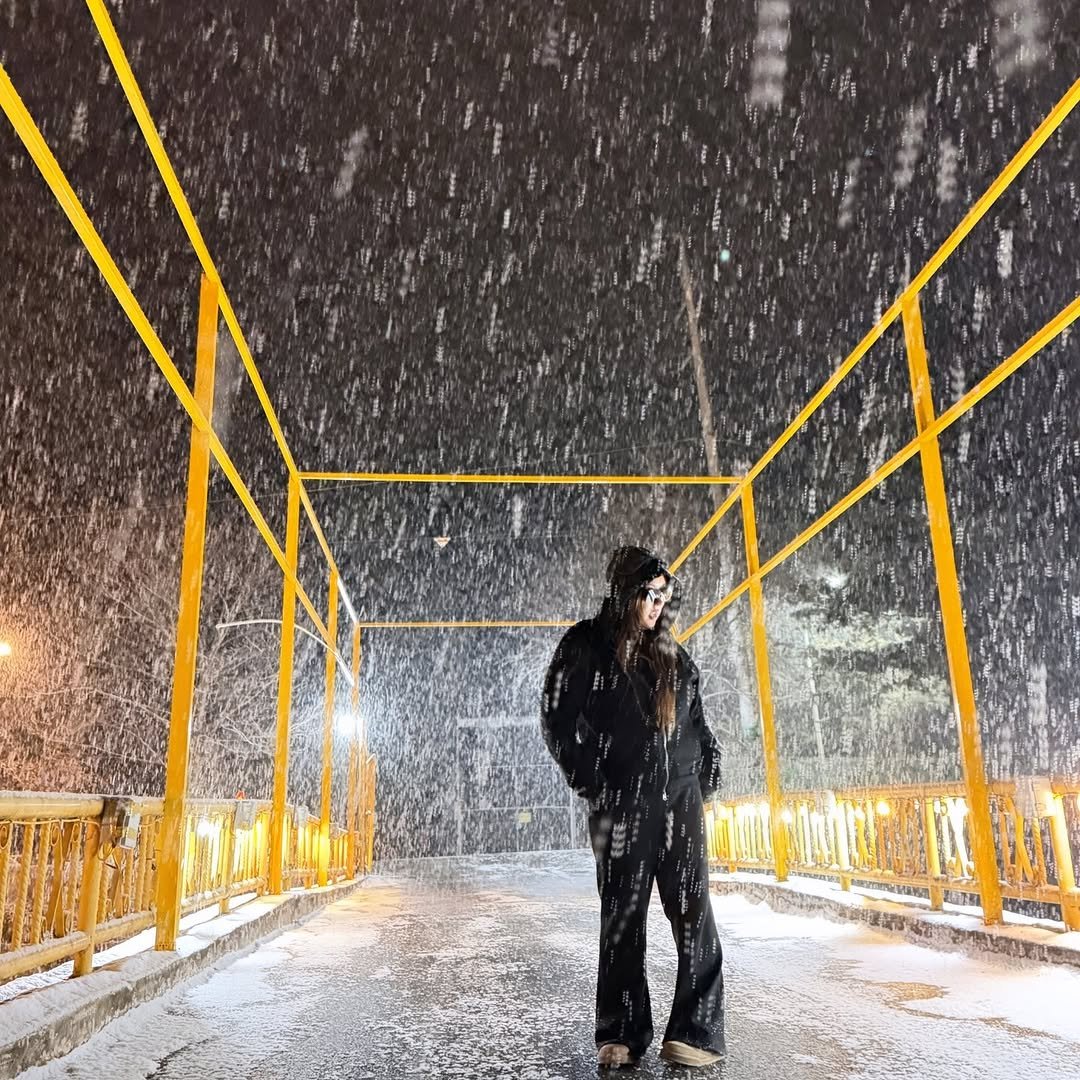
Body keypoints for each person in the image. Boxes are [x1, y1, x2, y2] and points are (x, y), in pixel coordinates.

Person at [541, 546, 726, 1069]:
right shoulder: (586, 644)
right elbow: (557, 716)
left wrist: (708, 762)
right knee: (624, 915)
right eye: (648, 593)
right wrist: (593, 779)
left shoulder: (671, 650)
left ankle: (695, 1031)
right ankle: (621, 1031)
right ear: (625, 592)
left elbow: (695, 713)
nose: (656, 603)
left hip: (681, 798)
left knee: (692, 907)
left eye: (663, 595)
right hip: (622, 800)